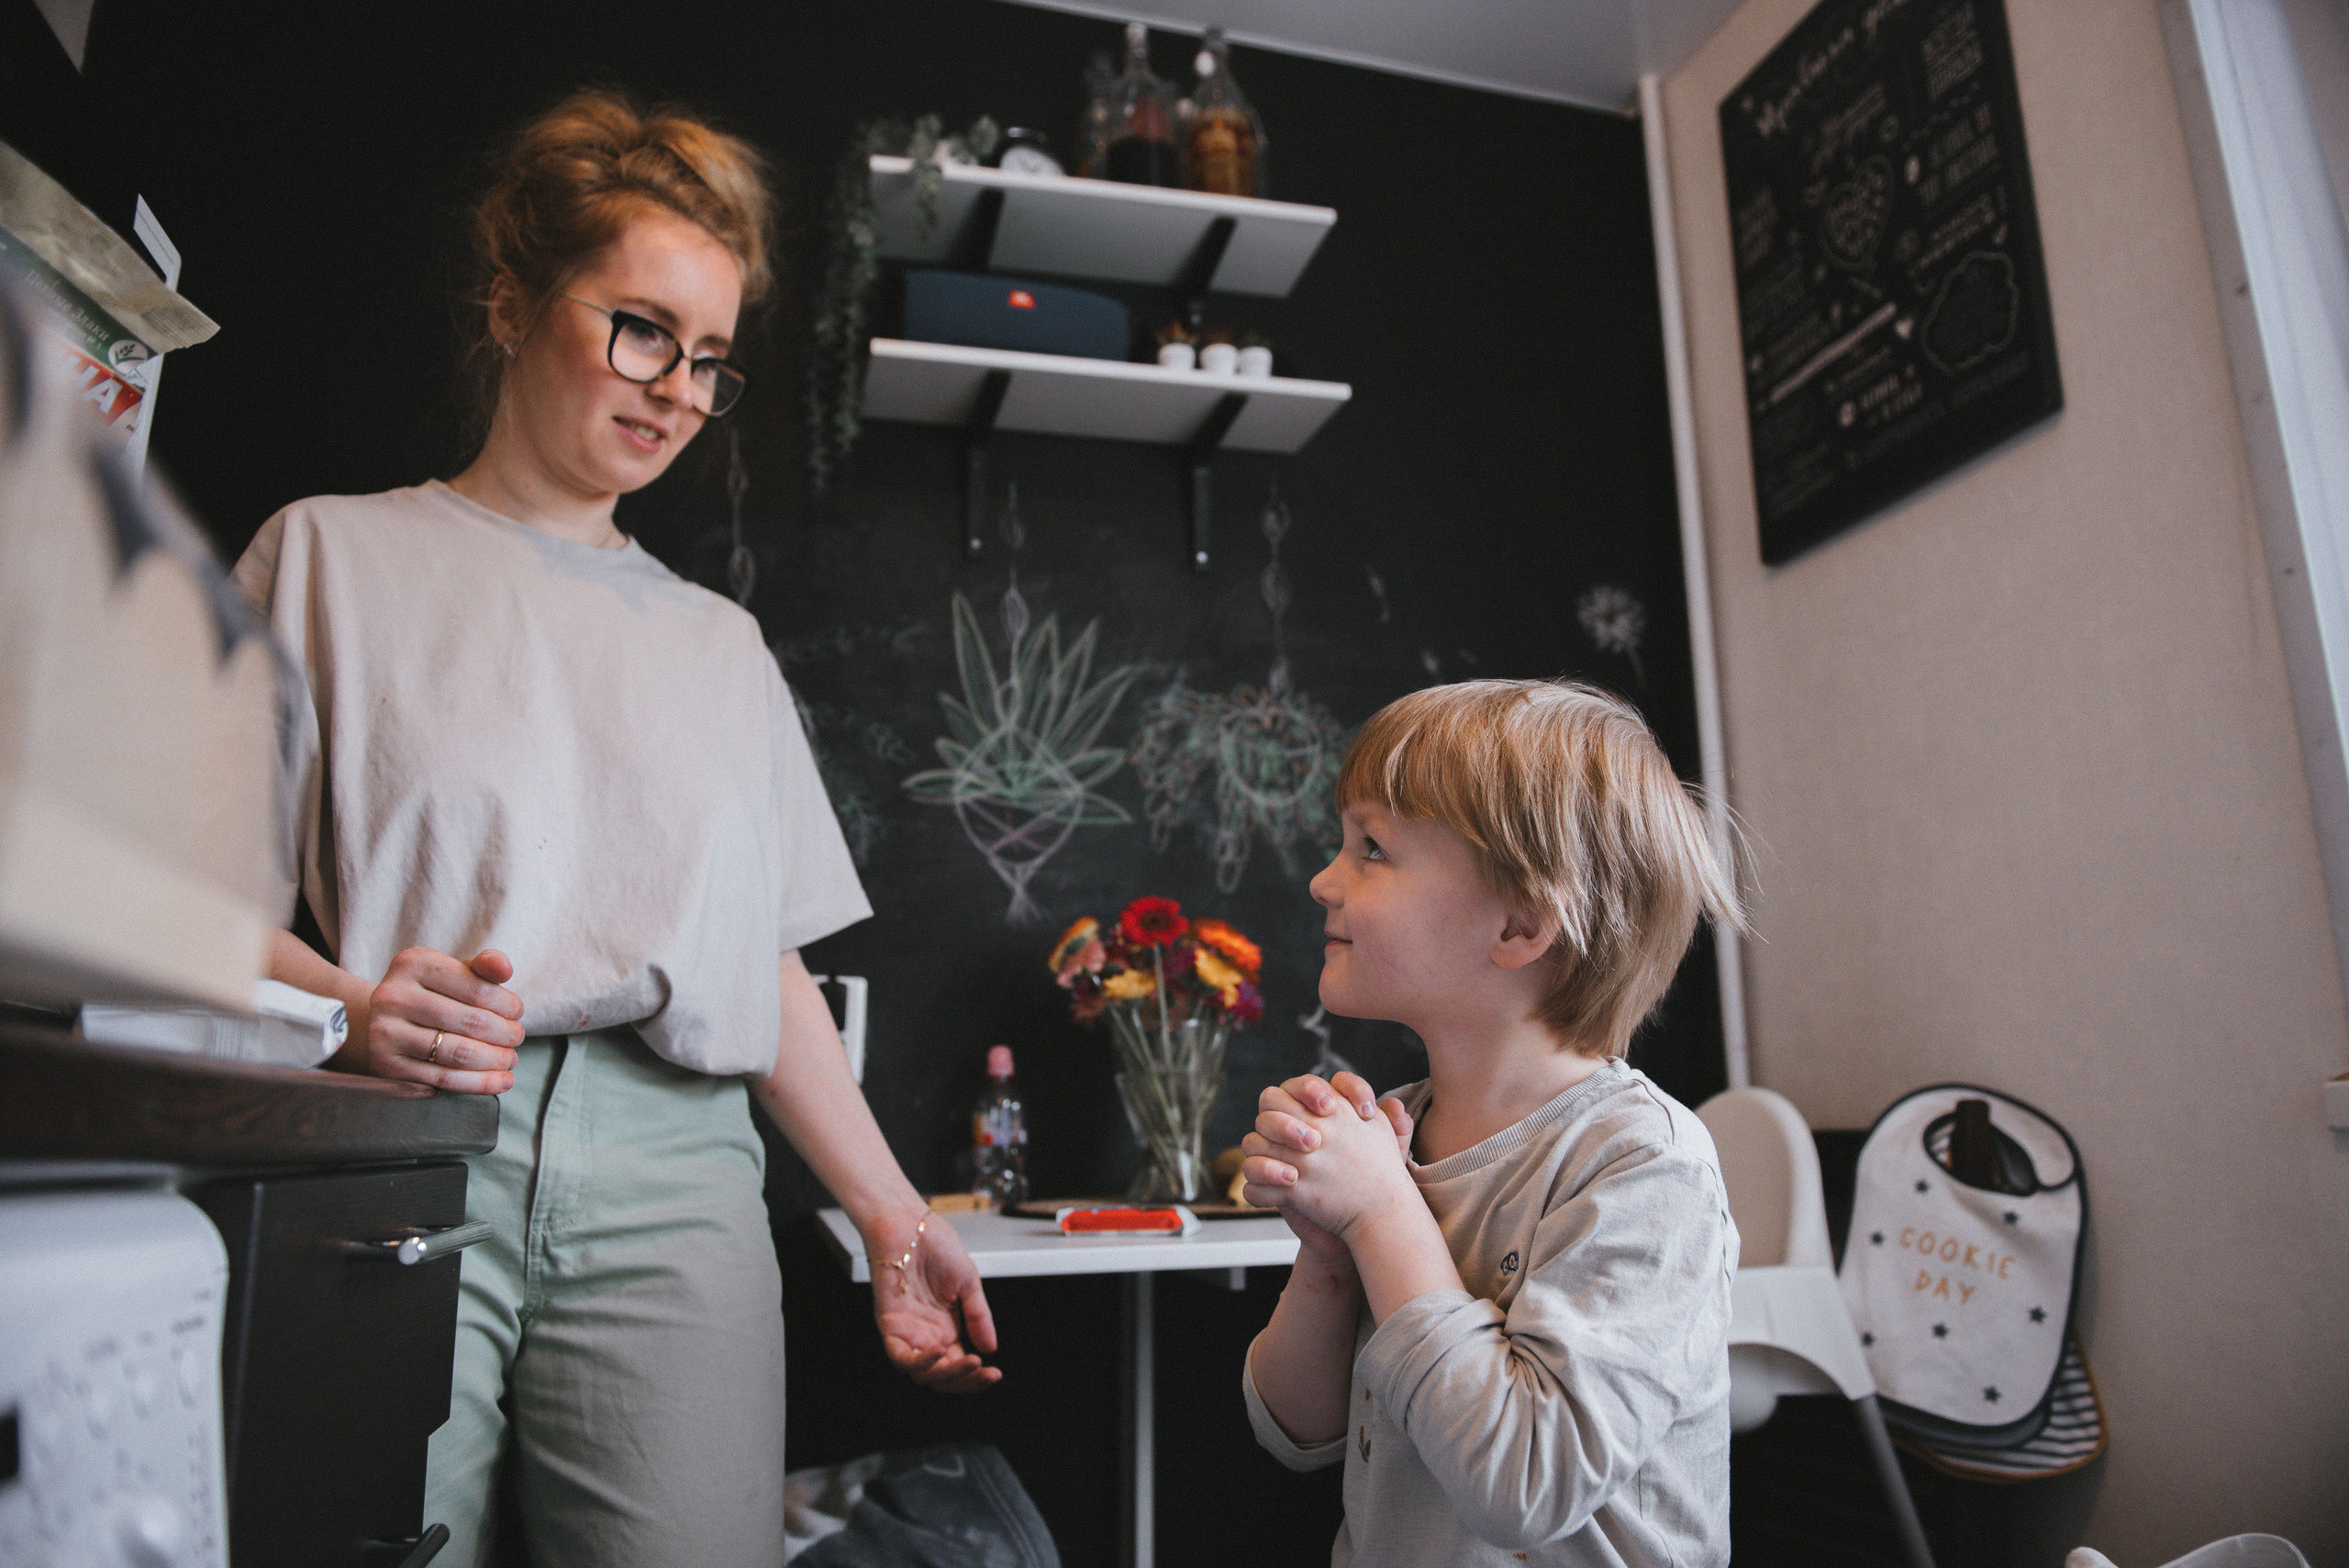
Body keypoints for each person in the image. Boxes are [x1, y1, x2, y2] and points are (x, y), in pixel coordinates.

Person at [233, 89, 998, 1568]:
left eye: (707, 359)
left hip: (680, 1176)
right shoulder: (325, 555)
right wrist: (352, 1010)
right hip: (403, 1141)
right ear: (511, 304)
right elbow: (189, 904)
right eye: (642, 329)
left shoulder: (721, 645)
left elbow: (761, 966)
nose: (675, 390)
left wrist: (894, 1220)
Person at [1239, 679, 1746, 1567]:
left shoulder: (1642, 1164)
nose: (1324, 880)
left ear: (1520, 922)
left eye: (1372, 848)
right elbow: (1295, 1432)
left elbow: (1527, 1483)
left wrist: (1379, 1213)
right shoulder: (1402, 1128)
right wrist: (1328, 1258)